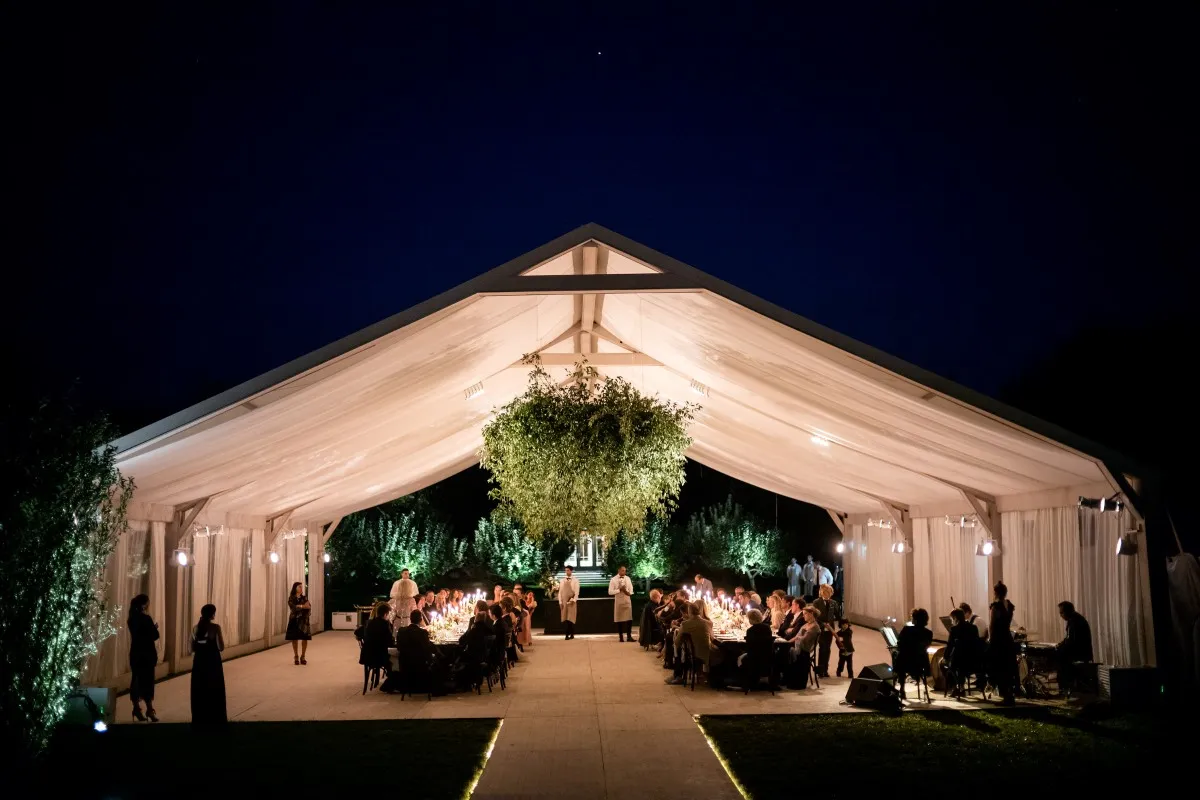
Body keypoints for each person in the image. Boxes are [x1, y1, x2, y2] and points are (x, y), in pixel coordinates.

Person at [190, 603, 226, 727]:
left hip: (199, 662)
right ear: (212, 614)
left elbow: (192, 648)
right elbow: (221, 647)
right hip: (213, 662)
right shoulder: (215, 628)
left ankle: (200, 719)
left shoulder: (195, 628)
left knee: (200, 690)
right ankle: (215, 719)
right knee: (214, 690)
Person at [127, 593, 159, 722]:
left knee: (136, 681)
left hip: (135, 653)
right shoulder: (146, 619)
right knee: (147, 682)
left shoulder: (131, 619)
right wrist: (154, 628)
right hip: (147, 653)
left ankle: (136, 708)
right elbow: (154, 636)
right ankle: (150, 711)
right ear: (144, 604)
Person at [987, 582, 1018, 705]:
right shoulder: (1009, 605)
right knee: (1009, 667)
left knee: (999, 667)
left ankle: (1006, 696)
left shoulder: (996, 606)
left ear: (995, 592)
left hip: (998, 639)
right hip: (1007, 638)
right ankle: (1010, 695)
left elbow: (992, 624)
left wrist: (990, 639)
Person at [667, 602, 712, 685]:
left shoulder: (685, 624)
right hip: (708, 651)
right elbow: (712, 638)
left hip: (694, 654)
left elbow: (677, 642)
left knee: (678, 649)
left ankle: (678, 676)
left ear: (689, 612)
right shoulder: (709, 623)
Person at [1056, 601, 1094, 695]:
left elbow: (1072, 642)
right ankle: (1067, 687)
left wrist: (1060, 647)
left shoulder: (1074, 621)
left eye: (1061, 613)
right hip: (1080, 651)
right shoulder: (1075, 619)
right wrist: (1061, 644)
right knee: (1059, 654)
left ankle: (1065, 688)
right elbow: (1069, 638)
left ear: (1068, 611)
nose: (1060, 615)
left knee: (1059, 659)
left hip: (1080, 654)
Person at [895, 608, 933, 700]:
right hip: (921, 664)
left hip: (906, 664)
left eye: (912, 617)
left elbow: (899, 644)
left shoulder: (907, 630)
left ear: (915, 619)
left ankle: (902, 688)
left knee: (899, 657)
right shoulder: (928, 633)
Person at [942, 608, 980, 697]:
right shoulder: (973, 627)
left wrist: (945, 657)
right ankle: (960, 686)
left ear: (955, 618)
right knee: (960, 665)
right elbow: (976, 643)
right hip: (973, 660)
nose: (951, 621)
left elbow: (950, 646)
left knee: (944, 664)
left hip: (959, 662)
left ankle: (957, 687)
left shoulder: (954, 629)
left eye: (952, 619)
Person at [359, 601, 394, 677]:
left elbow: (357, 633)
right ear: (385, 614)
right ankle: (392, 678)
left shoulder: (368, 623)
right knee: (395, 657)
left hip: (367, 655)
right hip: (378, 656)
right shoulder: (385, 624)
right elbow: (390, 641)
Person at [812, 584, 839, 678]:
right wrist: (823, 624)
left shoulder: (833, 603)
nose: (829, 594)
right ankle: (820, 670)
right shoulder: (816, 602)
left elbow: (837, 615)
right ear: (822, 592)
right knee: (822, 648)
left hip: (830, 630)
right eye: (827, 592)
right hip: (820, 629)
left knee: (827, 649)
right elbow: (814, 617)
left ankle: (825, 670)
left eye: (830, 592)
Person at [286, 581, 312, 665]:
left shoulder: (304, 598)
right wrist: (302, 606)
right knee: (294, 638)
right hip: (294, 620)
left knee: (305, 639)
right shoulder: (291, 598)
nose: (301, 588)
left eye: (301, 586)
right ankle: (296, 656)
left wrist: (299, 606)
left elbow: (308, 607)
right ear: (295, 588)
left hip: (304, 621)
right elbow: (293, 608)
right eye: (299, 587)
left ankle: (303, 656)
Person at [609, 565, 635, 642]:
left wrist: (627, 591)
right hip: (619, 602)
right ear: (619, 570)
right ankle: (621, 637)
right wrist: (619, 590)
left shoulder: (628, 578)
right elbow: (610, 592)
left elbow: (631, 590)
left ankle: (629, 636)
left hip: (627, 601)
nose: (624, 572)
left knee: (629, 619)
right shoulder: (613, 579)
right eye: (623, 570)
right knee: (619, 620)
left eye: (625, 570)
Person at [559, 565, 580, 640]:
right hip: (564, 601)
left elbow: (577, 592)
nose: (566, 572)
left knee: (570, 618)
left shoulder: (575, 580)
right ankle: (571, 634)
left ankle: (567, 634)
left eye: (568, 570)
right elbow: (560, 592)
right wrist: (560, 602)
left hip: (571, 601)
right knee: (565, 618)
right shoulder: (562, 580)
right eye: (566, 570)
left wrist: (573, 600)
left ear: (571, 571)